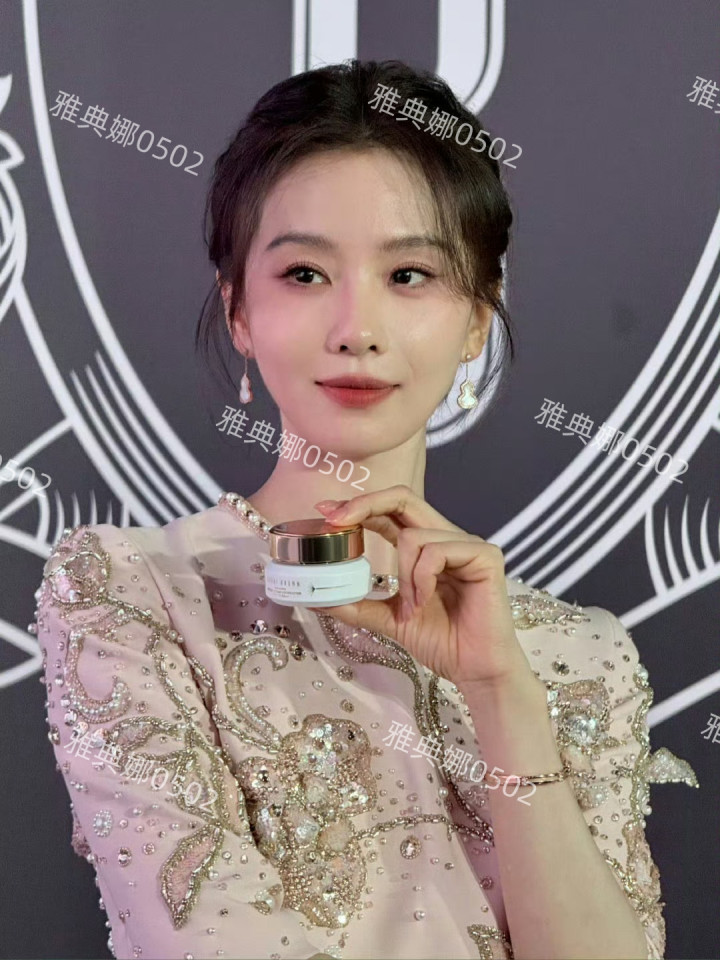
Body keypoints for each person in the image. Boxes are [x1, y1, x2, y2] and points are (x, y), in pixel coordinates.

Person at [35, 59, 697, 960]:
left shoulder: (580, 656)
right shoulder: (134, 596)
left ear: (479, 317)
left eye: (411, 274)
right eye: (305, 273)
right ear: (238, 310)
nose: (357, 329)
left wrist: (500, 690)